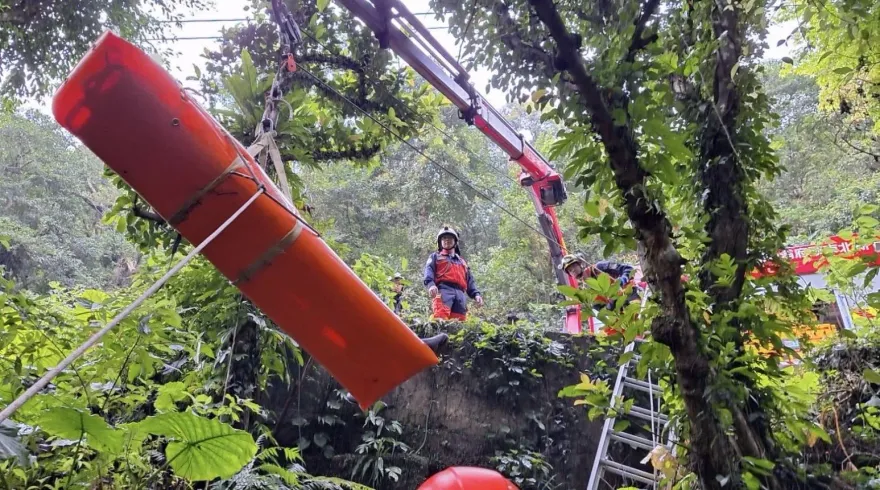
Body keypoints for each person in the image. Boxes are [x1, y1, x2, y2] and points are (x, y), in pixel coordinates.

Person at [424, 226, 483, 321]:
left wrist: (476, 294)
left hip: (460, 294)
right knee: (441, 319)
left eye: (450, 238)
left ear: (455, 241)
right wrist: (431, 285)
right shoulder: (435, 257)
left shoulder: (462, 262)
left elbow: (470, 280)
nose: (447, 240)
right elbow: (429, 270)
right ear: (440, 242)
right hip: (443, 290)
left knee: (460, 324)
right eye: (444, 238)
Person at [560, 253, 641, 311]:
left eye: (574, 266)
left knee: (636, 313)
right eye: (570, 270)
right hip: (619, 309)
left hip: (629, 294)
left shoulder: (599, 268)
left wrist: (621, 281)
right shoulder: (586, 292)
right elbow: (602, 310)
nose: (573, 270)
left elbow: (628, 269)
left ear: (580, 264)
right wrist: (609, 306)